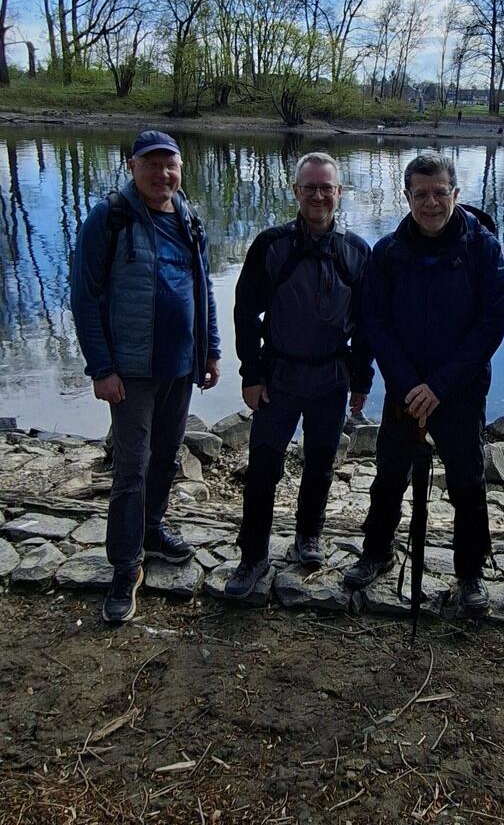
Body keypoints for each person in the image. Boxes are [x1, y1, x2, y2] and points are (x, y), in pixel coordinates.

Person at [344, 152, 504, 615]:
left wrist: (439, 387)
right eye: (421, 194)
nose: (431, 203)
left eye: (440, 193)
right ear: (407, 196)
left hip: (460, 388)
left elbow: (490, 327)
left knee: (467, 481)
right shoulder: (387, 252)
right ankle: (377, 551)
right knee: (389, 474)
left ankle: (470, 572)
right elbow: (375, 323)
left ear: (455, 193)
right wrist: (406, 383)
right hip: (406, 388)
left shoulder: (483, 249)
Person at [70, 130, 221, 625]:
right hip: (131, 372)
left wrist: (211, 351)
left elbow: (204, 289)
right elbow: (85, 297)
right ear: (132, 167)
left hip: (180, 367)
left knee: (165, 457)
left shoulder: (189, 217)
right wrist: (101, 368)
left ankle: (152, 530)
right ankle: (124, 567)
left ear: (181, 168)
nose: (162, 174)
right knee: (131, 468)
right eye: (151, 164)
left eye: (169, 165)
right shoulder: (110, 218)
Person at [226, 152, 372, 599]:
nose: (318, 195)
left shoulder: (356, 252)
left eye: (326, 187)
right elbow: (245, 313)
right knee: (263, 468)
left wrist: (362, 380)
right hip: (279, 377)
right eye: (309, 187)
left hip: (332, 378)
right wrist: (251, 374)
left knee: (321, 463)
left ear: (339, 192)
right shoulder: (272, 246)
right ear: (295, 191)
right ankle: (253, 555)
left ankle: (308, 535)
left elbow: (368, 325)